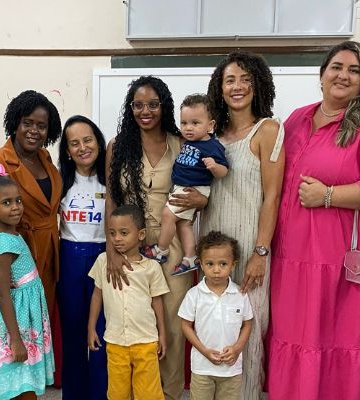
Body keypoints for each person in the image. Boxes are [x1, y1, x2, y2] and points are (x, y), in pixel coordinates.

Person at [268, 41, 360, 400]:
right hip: (291, 259)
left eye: (354, 70)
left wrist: (328, 195)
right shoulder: (297, 119)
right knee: (294, 337)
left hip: (342, 263)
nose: (343, 75)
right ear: (322, 74)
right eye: (336, 67)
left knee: (342, 340)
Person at [105, 75, 207, 400]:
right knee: (136, 323)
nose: (145, 111)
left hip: (171, 245)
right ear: (130, 108)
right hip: (129, 246)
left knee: (172, 326)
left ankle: (169, 394)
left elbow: (203, 188)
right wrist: (111, 250)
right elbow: (111, 199)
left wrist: (201, 201)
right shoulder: (118, 146)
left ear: (164, 105)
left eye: (152, 104)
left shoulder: (182, 144)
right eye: (138, 105)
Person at [199, 51, 284, 399]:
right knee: (212, 328)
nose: (238, 87)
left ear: (258, 85)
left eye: (246, 79)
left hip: (249, 247)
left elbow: (272, 197)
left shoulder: (268, 130)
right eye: (230, 80)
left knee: (247, 329)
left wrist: (260, 252)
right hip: (211, 249)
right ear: (219, 88)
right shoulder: (210, 134)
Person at [0, 89, 63, 385]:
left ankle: (30, 386)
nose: (34, 131)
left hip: (46, 257)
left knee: (36, 327)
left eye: (42, 126)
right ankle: (11, 388)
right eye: (27, 123)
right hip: (13, 259)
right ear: (15, 123)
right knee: (14, 332)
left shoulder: (45, 158)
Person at [0, 165, 54, 400]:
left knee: (24, 381)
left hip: (23, 316)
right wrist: (16, 340)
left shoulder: (11, 235)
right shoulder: (3, 242)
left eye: (18, 200)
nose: (16, 206)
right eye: (6, 203)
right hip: (15, 322)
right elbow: (2, 292)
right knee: (20, 384)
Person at [87, 205, 169, 400]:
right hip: (115, 341)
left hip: (146, 341)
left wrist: (162, 334)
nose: (117, 238)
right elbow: (97, 295)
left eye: (124, 233)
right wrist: (91, 327)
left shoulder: (152, 267)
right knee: (117, 394)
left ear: (141, 234)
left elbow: (157, 302)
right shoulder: (103, 261)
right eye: (112, 233)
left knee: (149, 394)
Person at [142, 94, 228, 276]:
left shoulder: (213, 146)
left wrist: (214, 167)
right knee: (184, 225)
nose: (188, 128)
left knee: (168, 216)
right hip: (182, 187)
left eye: (195, 123)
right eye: (184, 123)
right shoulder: (189, 141)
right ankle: (190, 257)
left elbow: (224, 171)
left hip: (191, 189)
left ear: (210, 126)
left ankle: (161, 249)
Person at [56, 115, 108, 399]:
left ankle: (101, 394)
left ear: (98, 142)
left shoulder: (111, 178)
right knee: (74, 333)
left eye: (87, 140)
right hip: (70, 259)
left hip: (104, 257)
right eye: (74, 143)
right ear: (67, 150)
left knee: (102, 332)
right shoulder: (59, 180)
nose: (82, 147)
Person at [179, 231, 253, 400]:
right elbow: (185, 325)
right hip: (202, 368)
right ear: (201, 264)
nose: (216, 270)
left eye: (223, 264)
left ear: (233, 265)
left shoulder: (240, 294)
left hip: (231, 370)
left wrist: (237, 348)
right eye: (210, 264)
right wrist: (204, 351)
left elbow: (247, 324)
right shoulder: (194, 294)